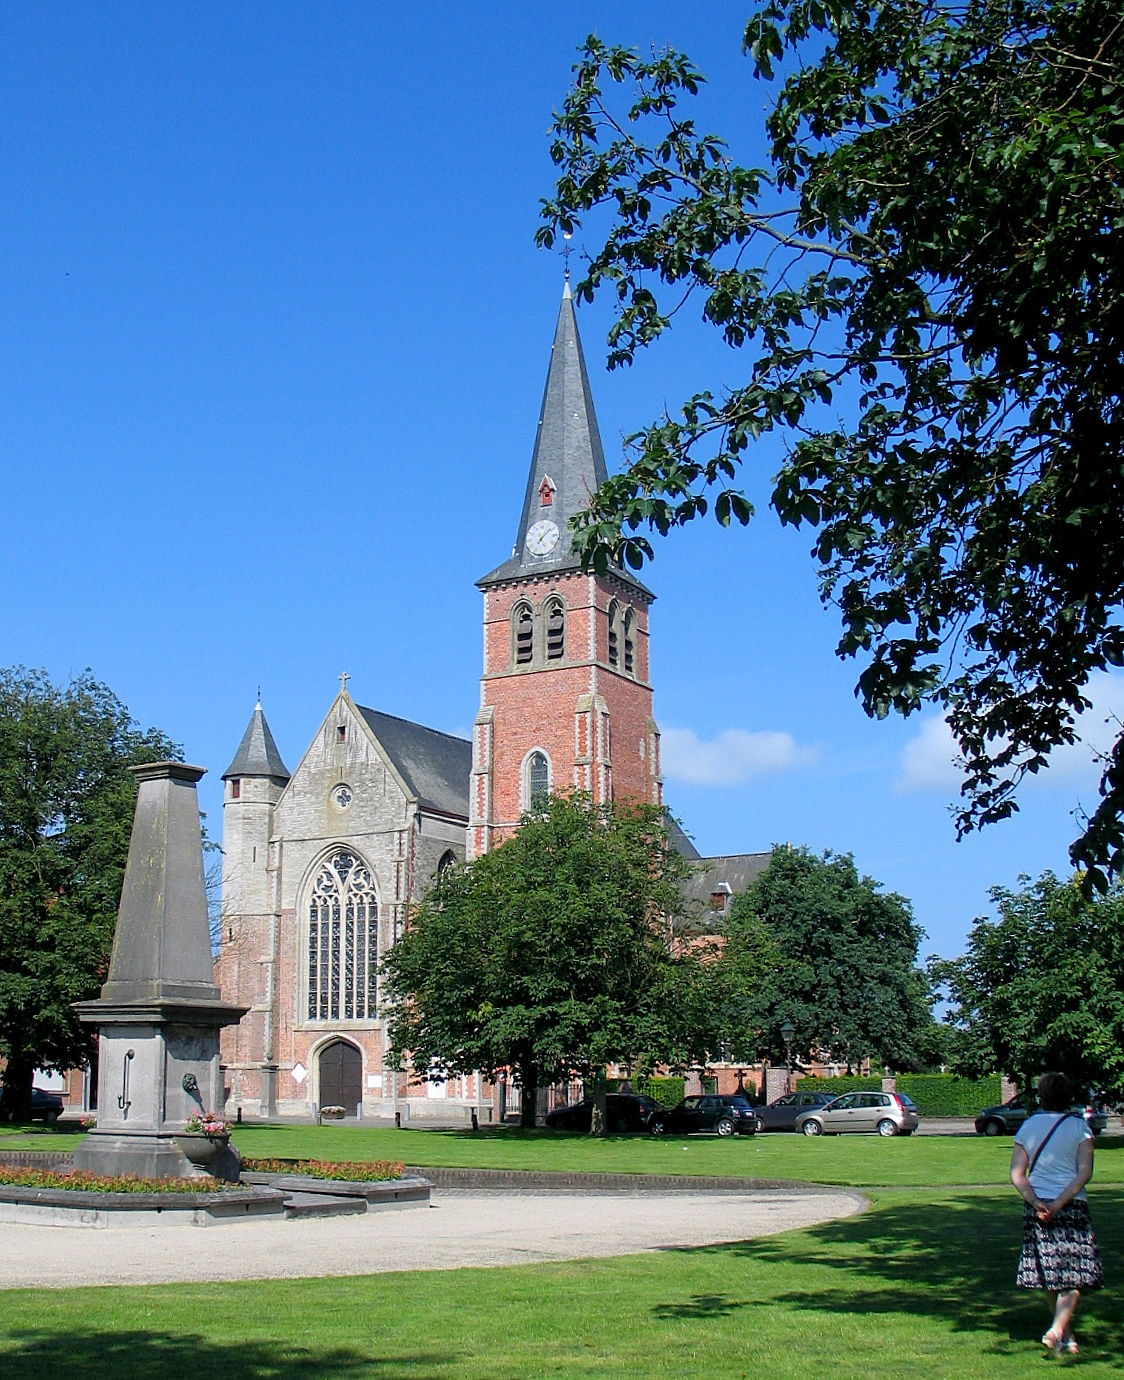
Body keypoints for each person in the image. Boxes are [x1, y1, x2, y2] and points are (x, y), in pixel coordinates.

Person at [1010, 1071, 1104, 1356]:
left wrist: (1036, 1202)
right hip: (1072, 1206)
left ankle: (1062, 1333)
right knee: (1074, 1276)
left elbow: (1017, 1174)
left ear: (1042, 1096)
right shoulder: (1080, 1128)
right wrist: (1060, 1202)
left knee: (1048, 1274)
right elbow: (1084, 1173)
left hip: (1038, 1209)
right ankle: (1059, 1332)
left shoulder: (1028, 1127)